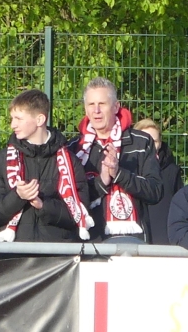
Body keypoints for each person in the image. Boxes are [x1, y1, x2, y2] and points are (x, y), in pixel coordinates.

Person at [0, 89, 90, 243]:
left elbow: (79, 213)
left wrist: (43, 206)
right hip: (13, 252)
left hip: (57, 254)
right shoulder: (2, 159)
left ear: (40, 119)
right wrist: (17, 196)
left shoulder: (70, 161)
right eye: (12, 118)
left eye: (19, 118)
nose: (13, 125)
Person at [70, 78, 165, 241]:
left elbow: (155, 191)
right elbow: (71, 200)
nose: (96, 110)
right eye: (91, 104)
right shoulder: (75, 148)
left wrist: (119, 174)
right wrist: (102, 182)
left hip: (133, 240)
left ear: (115, 107)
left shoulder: (140, 142)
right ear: (85, 109)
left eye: (102, 104)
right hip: (91, 241)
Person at [134, 117, 181, 242]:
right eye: (145, 140)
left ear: (160, 143)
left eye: (154, 141)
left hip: (163, 239)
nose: (150, 146)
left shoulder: (172, 171)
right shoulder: (125, 171)